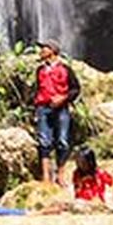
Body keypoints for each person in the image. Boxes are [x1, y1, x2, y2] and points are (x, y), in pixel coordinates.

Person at [34, 39, 81, 185]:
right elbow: (38, 89)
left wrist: (63, 98)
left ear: (53, 51)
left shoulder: (66, 69)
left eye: (44, 48)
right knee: (44, 141)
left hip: (61, 109)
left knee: (62, 141)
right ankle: (46, 176)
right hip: (43, 108)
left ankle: (60, 175)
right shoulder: (40, 70)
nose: (41, 51)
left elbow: (76, 89)